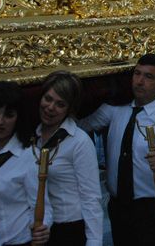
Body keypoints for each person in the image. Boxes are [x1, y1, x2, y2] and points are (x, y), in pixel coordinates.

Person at [79, 54, 155, 246]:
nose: (139, 81)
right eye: (137, 74)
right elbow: (82, 126)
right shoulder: (116, 108)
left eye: (149, 77)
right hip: (119, 207)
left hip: (153, 209)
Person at [35, 71, 103, 245]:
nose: (50, 107)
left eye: (60, 104)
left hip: (68, 230)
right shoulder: (31, 137)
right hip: (38, 231)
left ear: (69, 109)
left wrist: (94, 241)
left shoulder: (79, 142)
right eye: (48, 99)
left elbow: (91, 197)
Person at [0, 81, 51, 245]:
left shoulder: (28, 157)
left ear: (18, 118)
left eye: (9, 115)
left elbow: (43, 206)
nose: (0, 121)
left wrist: (43, 228)